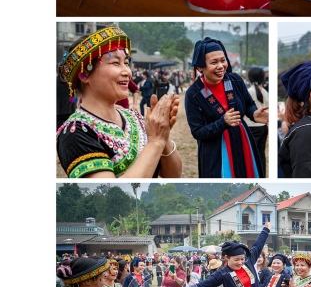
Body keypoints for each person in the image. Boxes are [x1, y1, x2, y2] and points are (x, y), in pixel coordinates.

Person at [57, 27, 182, 179]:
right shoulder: (75, 133)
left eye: (126, 63)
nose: (127, 72)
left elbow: (173, 176)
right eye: (116, 63)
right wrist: (155, 141)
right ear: (84, 74)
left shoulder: (133, 117)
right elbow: (111, 195)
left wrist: (163, 135)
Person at [185, 37, 269, 179]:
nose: (221, 66)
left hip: (243, 142)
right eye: (214, 62)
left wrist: (254, 114)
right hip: (216, 150)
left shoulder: (235, 80)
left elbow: (248, 104)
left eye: (223, 60)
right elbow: (197, 131)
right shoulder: (193, 94)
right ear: (200, 67)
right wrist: (222, 122)